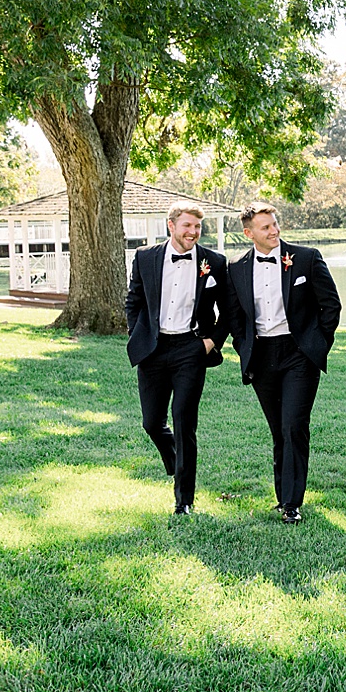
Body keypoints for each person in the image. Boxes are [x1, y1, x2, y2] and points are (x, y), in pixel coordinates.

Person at [225, 203, 342, 523]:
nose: (274, 230)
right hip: (261, 356)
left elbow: (331, 305)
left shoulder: (306, 258)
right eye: (265, 227)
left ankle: (292, 503)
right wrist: (242, 346)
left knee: (294, 425)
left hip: (298, 354)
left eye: (275, 224)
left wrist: (317, 344)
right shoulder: (236, 267)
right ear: (248, 233)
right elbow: (234, 316)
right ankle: (283, 496)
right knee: (278, 429)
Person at [125, 203, 230, 516]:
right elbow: (134, 301)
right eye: (187, 226)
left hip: (191, 349)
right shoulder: (145, 257)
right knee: (152, 423)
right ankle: (176, 463)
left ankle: (184, 500)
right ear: (171, 225)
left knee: (184, 422)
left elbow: (229, 310)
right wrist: (138, 334)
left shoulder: (214, 261)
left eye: (197, 227)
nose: (193, 232)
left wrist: (210, 343)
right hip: (154, 349)